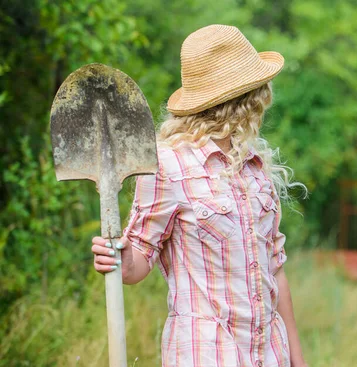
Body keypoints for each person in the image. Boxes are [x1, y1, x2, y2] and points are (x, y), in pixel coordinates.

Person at [91, 25, 307, 367]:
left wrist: (298, 360)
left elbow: (275, 271)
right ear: (245, 99)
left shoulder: (256, 167)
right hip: (207, 354)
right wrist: (117, 257)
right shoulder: (168, 164)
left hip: (269, 354)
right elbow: (137, 261)